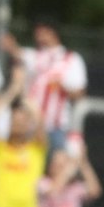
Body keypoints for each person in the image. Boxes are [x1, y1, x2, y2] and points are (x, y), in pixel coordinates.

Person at [20, 22, 86, 152]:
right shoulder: (33, 56)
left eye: (42, 32)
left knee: (56, 165)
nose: (38, 36)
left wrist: (62, 85)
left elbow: (79, 93)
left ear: (52, 33)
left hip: (56, 126)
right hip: (30, 125)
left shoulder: (71, 59)